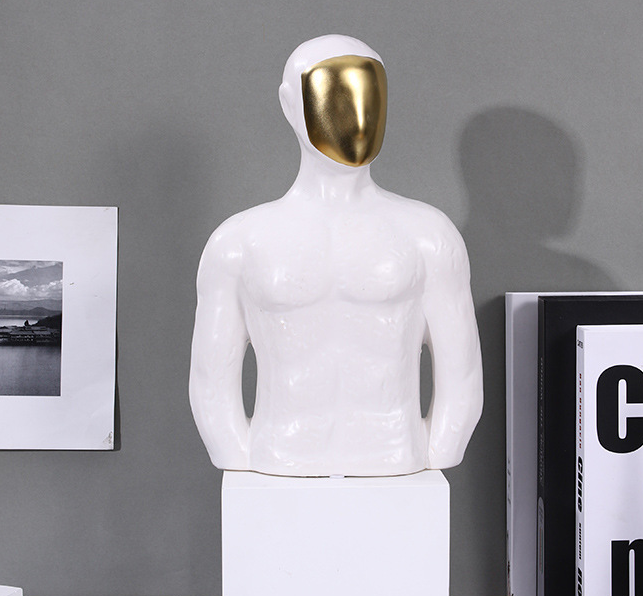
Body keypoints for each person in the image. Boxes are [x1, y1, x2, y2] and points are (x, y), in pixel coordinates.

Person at [190, 34, 482, 476]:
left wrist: (441, 449)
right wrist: (234, 453)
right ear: (290, 104)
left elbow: (462, 374)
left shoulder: (427, 235)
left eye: (371, 96)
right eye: (337, 95)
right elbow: (211, 380)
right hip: (282, 455)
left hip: (393, 454)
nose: (358, 118)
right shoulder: (238, 243)